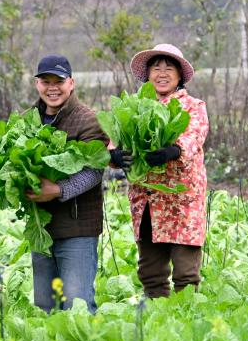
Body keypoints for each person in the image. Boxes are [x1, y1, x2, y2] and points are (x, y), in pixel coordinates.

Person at [112, 43, 209, 298]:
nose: (162, 73)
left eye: (169, 68)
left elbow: (194, 136)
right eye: (156, 68)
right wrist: (114, 154)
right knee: (151, 274)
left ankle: (187, 325)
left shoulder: (193, 106)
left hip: (182, 202)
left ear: (179, 76)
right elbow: (114, 140)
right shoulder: (135, 107)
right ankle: (157, 324)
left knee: (186, 275)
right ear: (147, 75)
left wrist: (172, 150)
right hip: (147, 202)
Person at [24, 55, 108, 314]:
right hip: (42, 227)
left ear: (71, 83)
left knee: (76, 304)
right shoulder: (28, 121)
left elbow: (95, 171)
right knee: (45, 304)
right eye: (45, 81)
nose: (52, 87)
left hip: (77, 228)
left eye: (58, 81)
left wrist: (58, 191)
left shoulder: (87, 119)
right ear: (37, 84)